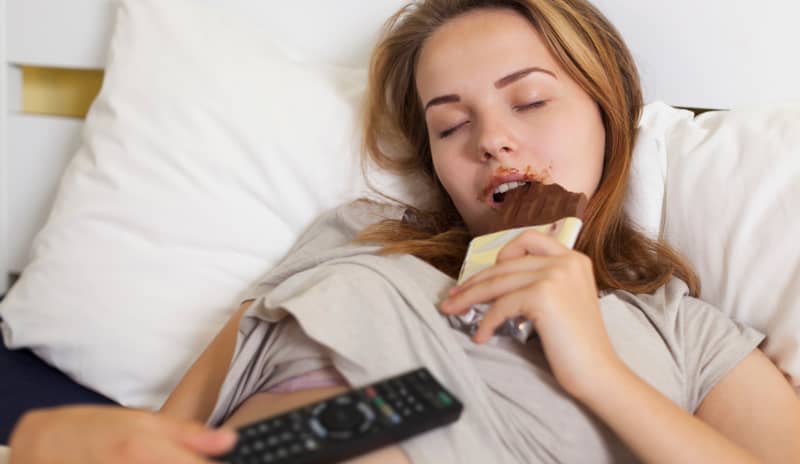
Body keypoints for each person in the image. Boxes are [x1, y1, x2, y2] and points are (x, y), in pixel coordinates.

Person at [8, 0, 800, 462]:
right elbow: (166, 438)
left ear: (608, 110)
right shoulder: (357, 242)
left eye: (528, 102)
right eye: (451, 125)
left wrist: (595, 368)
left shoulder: (683, 331)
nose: (491, 139)